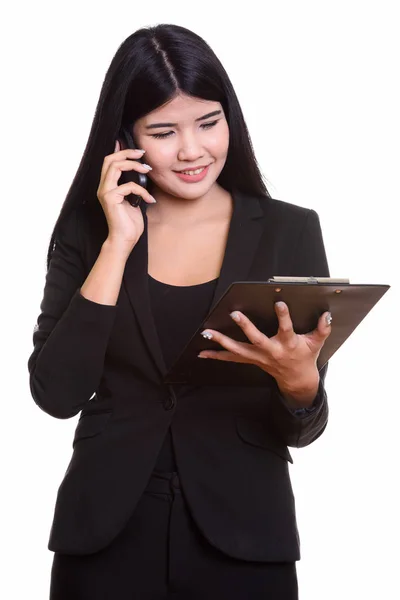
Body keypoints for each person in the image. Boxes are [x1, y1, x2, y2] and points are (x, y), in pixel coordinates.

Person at [28, 23, 332, 600]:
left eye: (209, 123)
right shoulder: (86, 235)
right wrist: (117, 243)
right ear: (125, 138)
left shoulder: (291, 231)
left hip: (245, 534)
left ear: (230, 121)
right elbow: (56, 394)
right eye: (164, 131)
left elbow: (305, 425)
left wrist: (300, 385)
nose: (192, 150)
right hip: (105, 534)